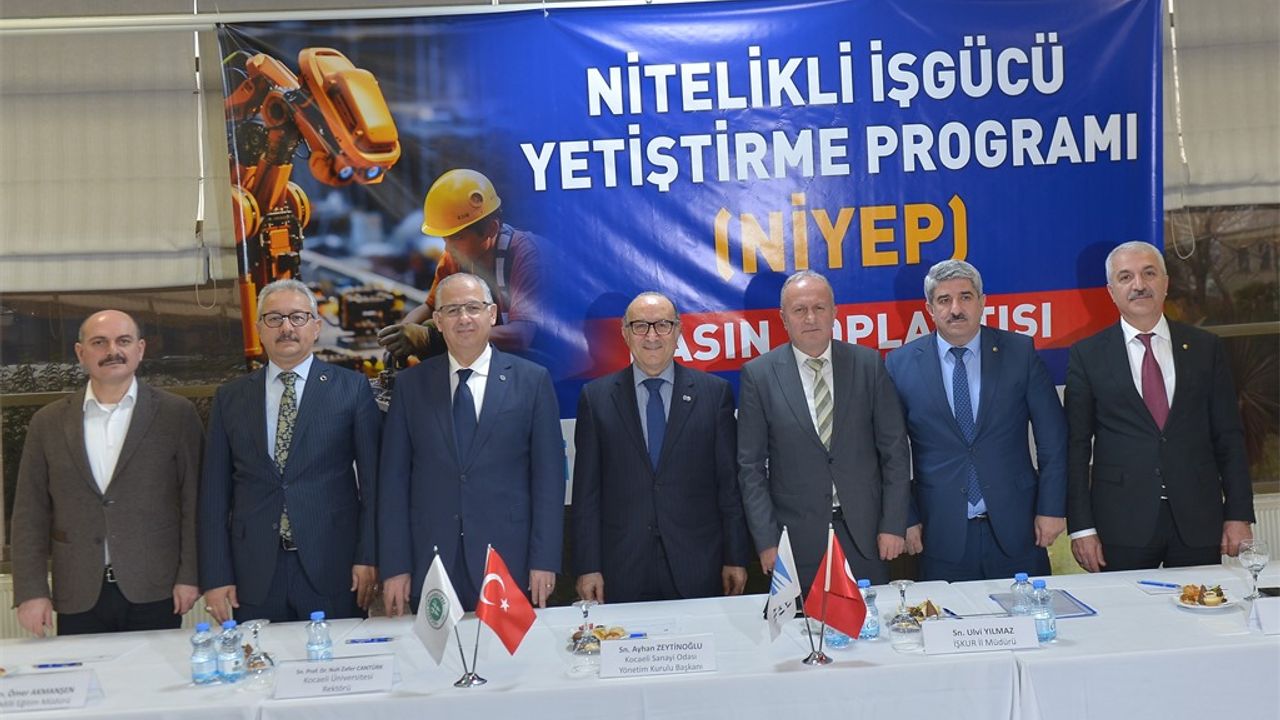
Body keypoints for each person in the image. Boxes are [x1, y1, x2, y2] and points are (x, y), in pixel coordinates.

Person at [379, 272, 563, 613]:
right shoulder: (411, 386)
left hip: (510, 563)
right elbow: (393, 484)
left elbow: (549, 481)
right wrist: (395, 566)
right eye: (452, 310)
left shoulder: (532, 381)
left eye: (473, 308)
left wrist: (544, 560)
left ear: (491, 314)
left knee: (510, 650)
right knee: (435, 650)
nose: (463, 318)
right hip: (430, 564)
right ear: (437, 322)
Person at [199, 279, 381, 623]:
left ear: (316, 326)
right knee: (259, 659)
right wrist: (216, 575)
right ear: (259, 329)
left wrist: (369, 557)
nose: (286, 328)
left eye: (298, 317)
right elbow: (214, 496)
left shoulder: (351, 389)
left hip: (333, 568)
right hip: (253, 574)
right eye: (274, 318)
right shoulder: (230, 398)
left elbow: (373, 486)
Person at [1066, 241, 1255, 572]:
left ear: (1165, 283)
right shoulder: (1087, 355)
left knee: (1202, 603)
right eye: (1126, 277)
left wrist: (1239, 513)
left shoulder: (1205, 348)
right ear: (1111, 291)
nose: (1139, 285)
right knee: (1124, 607)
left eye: (1149, 273)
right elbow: (1076, 447)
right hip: (1121, 522)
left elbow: (1229, 436)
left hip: (1198, 518)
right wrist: (1082, 528)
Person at [12, 310, 202, 636]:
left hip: (155, 588)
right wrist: (31, 592)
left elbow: (194, 502)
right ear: (80, 353)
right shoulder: (48, 422)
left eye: (123, 341)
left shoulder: (177, 415)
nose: (113, 350)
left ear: (140, 349)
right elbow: (30, 513)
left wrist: (190, 576)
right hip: (78, 592)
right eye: (99, 342)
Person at [885, 260, 1068, 581]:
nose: (956, 309)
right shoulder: (900, 364)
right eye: (944, 300)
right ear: (929, 309)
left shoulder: (1020, 352)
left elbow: (1053, 439)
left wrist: (1051, 508)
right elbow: (891, 452)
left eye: (966, 297)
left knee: (1026, 612)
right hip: (940, 532)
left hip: (1019, 527)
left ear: (982, 302)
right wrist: (906, 516)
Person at [572, 292, 750, 604]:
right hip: (622, 567)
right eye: (640, 326)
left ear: (678, 330)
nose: (652, 336)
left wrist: (735, 556)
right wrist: (588, 566)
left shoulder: (714, 395)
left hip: (698, 564)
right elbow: (587, 494)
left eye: (663, 325)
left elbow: (729, 487)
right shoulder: (595, 399)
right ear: (625, 333)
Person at [737, 270, 911, 587]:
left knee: (872, 618)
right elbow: (751, 469)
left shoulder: (868, 365)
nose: (810, 318)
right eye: (799, 309)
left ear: (834, 313)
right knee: (806, 621)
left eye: (819, 307)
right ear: (783, 318)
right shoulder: (758, 376)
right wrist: (767, 540)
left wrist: (894, 524)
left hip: (867, 536)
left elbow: (895, 452)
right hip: (795, 542)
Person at [377, 168, 543, 360]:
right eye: (445, 238)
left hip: (555, 362)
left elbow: (521, 336)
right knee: (434, 324)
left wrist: (436, 338)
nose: (448, 248)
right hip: (509, 357)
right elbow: (430, 307)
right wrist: (401, 334)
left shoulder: (527, 256)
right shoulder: (456, 256)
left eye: (457, 237)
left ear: (491, 229)